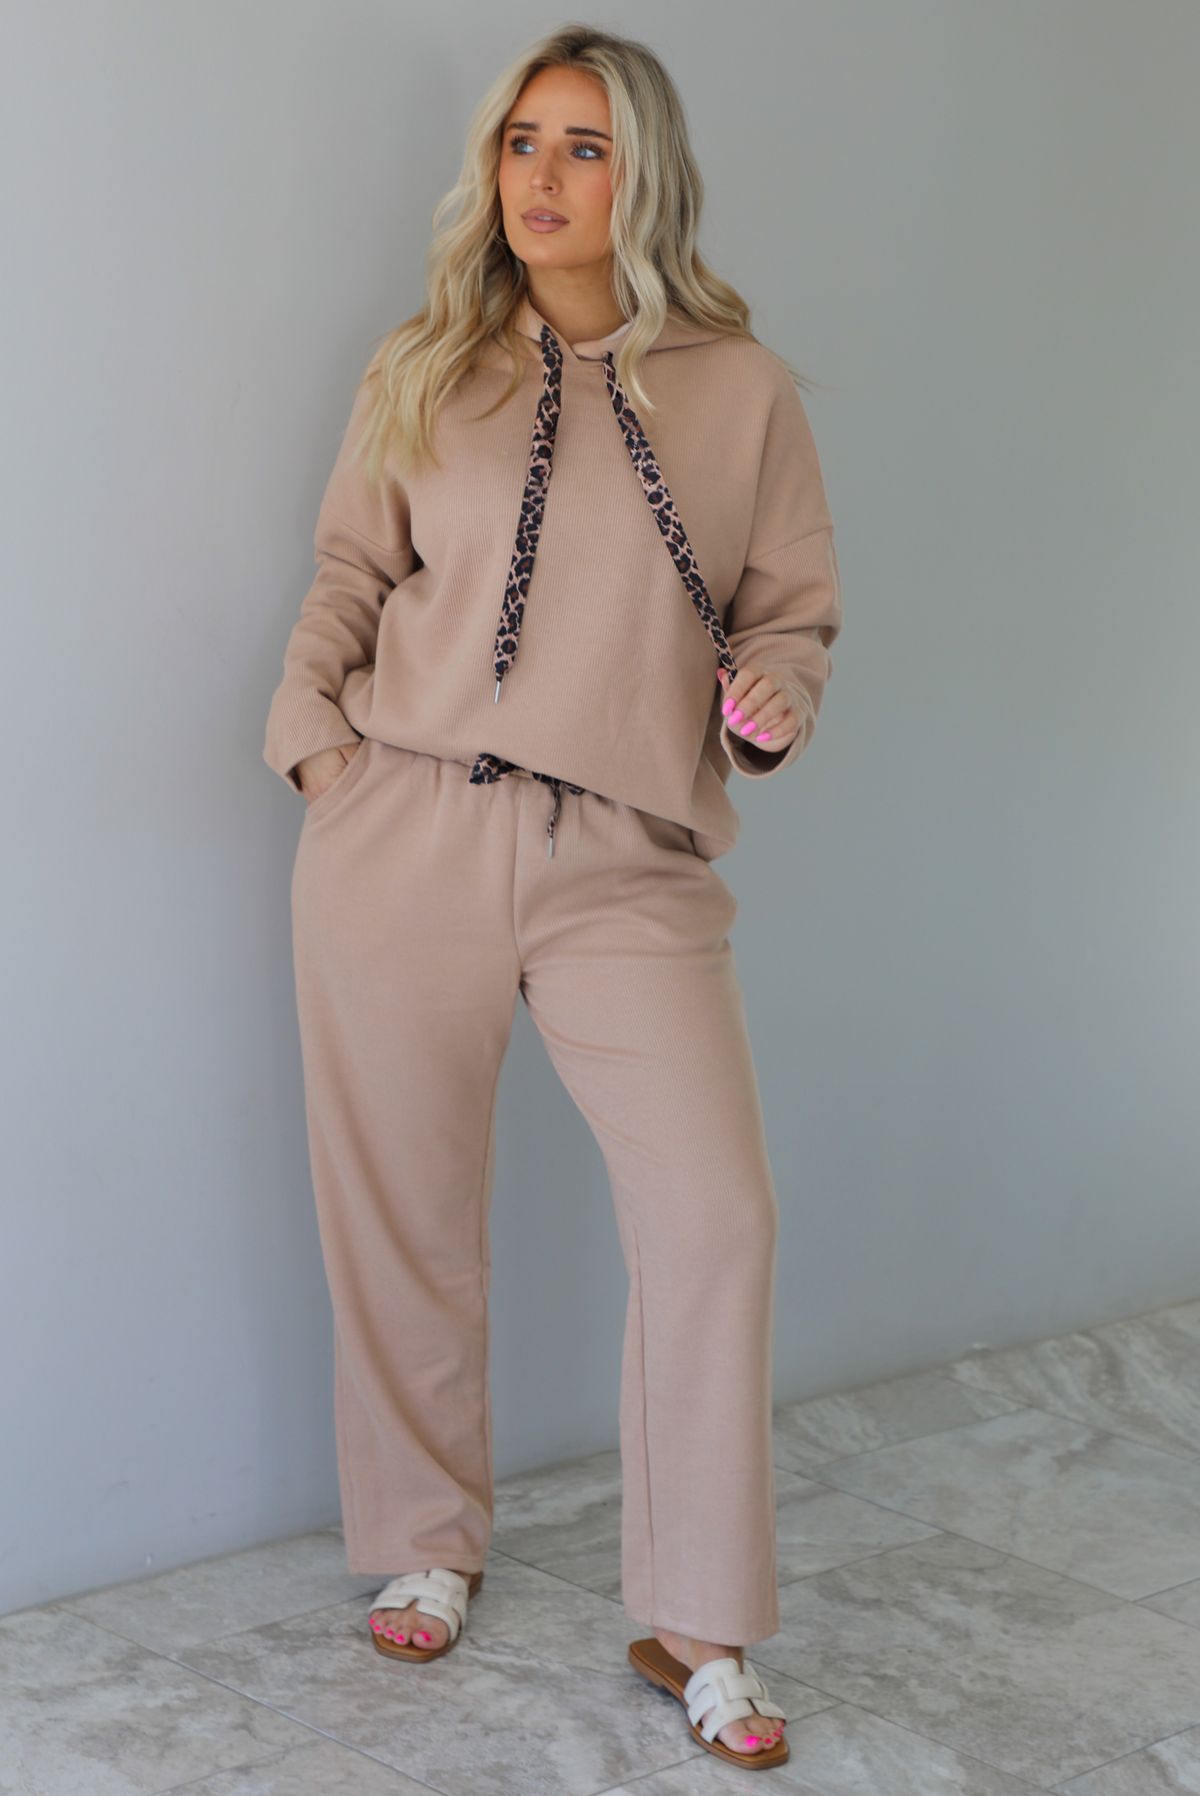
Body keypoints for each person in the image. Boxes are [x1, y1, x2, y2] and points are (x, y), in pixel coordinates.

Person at [264, 24, 839, 1771]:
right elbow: (349, 573)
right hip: (403, 830)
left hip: (626, 864)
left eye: (583, 147)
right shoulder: (426, 362)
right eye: (522, 140)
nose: (540, 176)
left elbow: (789, 608)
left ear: (641, 175)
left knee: (715, 1215)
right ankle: (425, 1542)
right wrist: (315, 750)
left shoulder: (742, 390)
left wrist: (782, 695)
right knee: (407, 1217)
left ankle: (698, 1623)